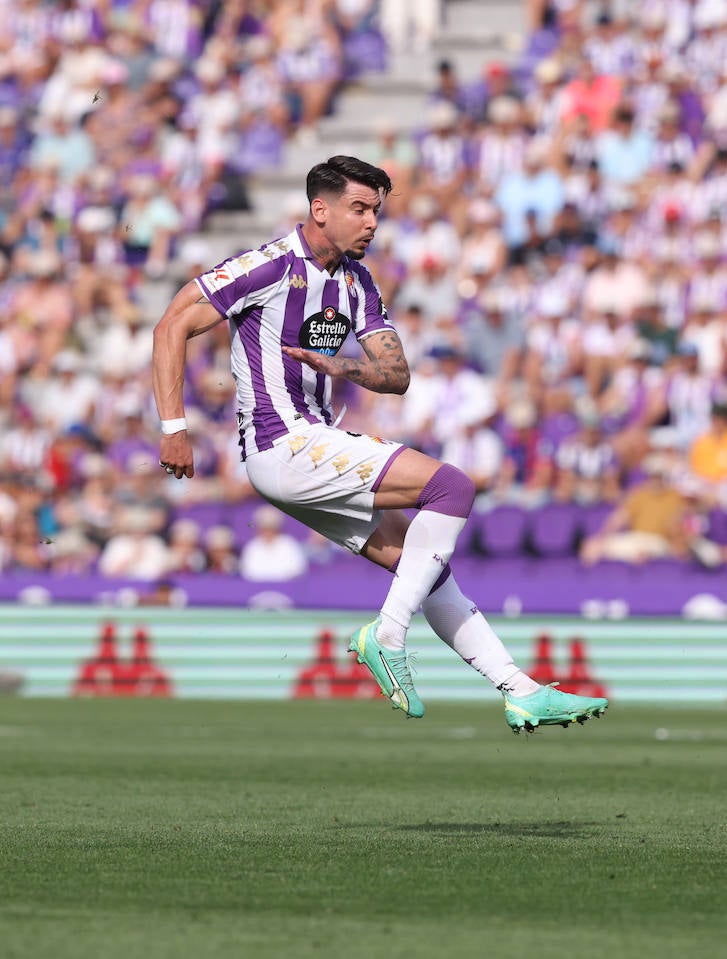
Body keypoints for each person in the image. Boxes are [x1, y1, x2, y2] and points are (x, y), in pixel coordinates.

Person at [151, 155, 608, 732]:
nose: (371, 223)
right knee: (451, 486)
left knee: (423, 568)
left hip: (309, 445)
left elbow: (396, 374)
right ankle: (386, 635)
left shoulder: (357, 283)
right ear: (321, 209)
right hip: (283, 440)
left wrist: (339, 365)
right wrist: (174, 427)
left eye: (377, 212)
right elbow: (171, 324)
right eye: (359, 209)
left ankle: (519, 690)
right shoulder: (266, 266)